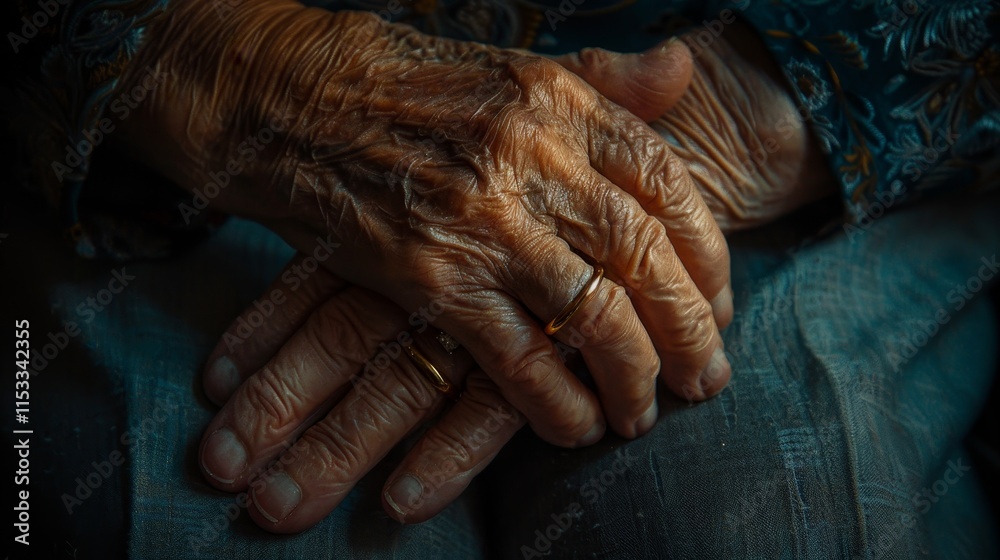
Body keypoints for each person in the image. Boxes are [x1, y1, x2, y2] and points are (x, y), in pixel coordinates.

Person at [2, 0, 997, 558]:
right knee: (193, 505)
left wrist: (747, 107)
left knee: (746, 516)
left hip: (822, 119)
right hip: (184, 134)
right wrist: (209, 60)